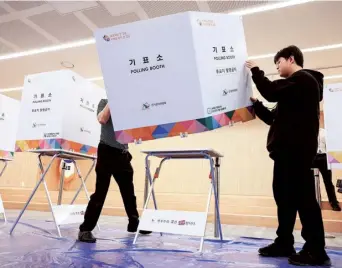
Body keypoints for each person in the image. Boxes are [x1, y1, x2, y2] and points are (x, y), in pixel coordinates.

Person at [246, 45, 331, 266]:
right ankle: (284, 242)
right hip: (286, 154)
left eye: (278, 63)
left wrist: (256, 70)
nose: (277, 67)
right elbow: (273, 118)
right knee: (285, 200)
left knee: (304, 201)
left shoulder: (303, 80)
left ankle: (316, 251)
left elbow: (271, 90)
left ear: (290, 59)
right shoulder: (294, 90)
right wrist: (257, 106)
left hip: (296, 153)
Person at [78, 99, 151, 243]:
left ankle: (134, 223)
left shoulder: (127, 106)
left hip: (123, 154)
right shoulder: (104, 102)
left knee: (129, 192)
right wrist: (112, 99)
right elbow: (102, 119)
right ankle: (85, 229)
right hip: (107, 151)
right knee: (100, 192)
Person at [313, 115, 341, 211]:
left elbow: (330, 146)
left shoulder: (324, 132)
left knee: (328, 181)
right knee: (309, 182)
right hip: (311, 157)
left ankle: (334, 203)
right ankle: (312, 203)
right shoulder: (306, 132)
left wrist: (334, 160)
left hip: (323, 157)